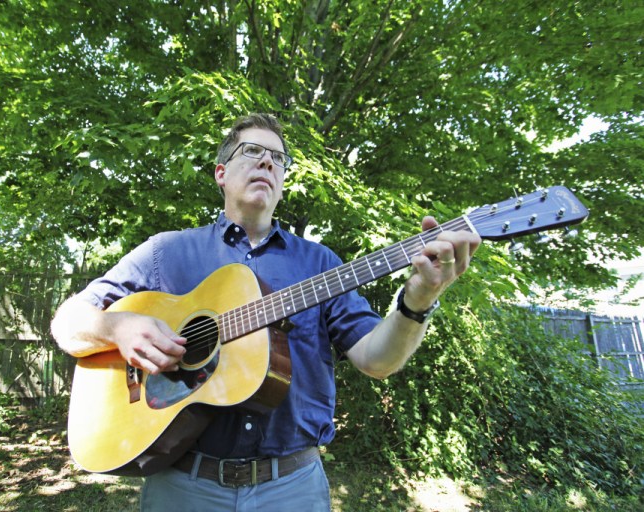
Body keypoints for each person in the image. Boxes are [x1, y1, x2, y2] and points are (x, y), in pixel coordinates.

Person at [51, 113, 481, 511]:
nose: (267, 163)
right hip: (182, 485)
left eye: (278, 158)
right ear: (221, 173)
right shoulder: (166, 252)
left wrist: (419, 299)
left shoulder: (321, 265)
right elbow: (68, 322)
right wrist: (117, 325)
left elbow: (377, 360)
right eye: (252, 152)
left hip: (292, 488)